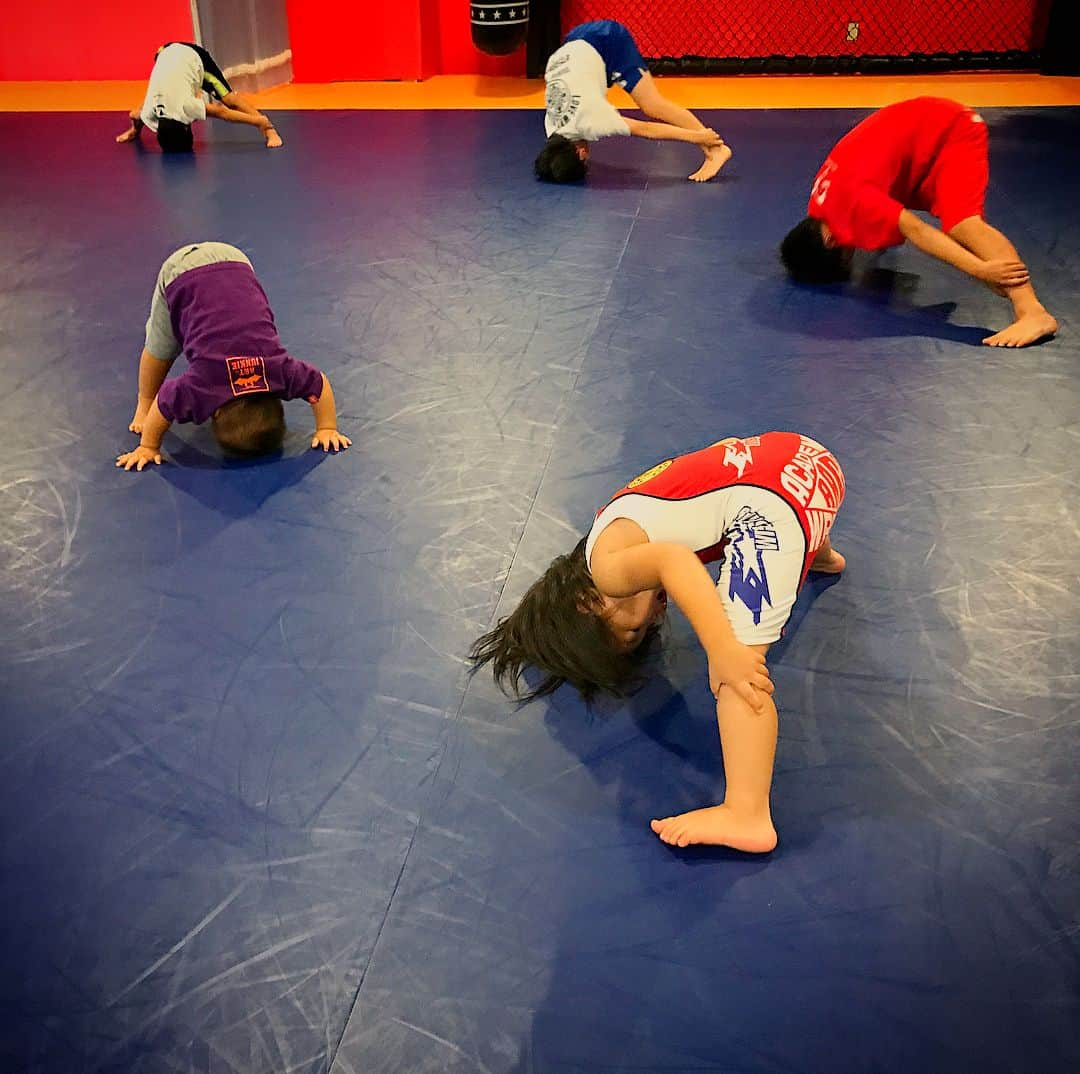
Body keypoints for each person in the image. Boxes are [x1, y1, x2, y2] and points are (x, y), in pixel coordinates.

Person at [470, 432, 846, 852]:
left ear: (587, 602)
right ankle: (822, 555)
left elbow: (675, 562)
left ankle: (747, 813)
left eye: (633, 629)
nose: (657, 617)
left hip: (782, 504)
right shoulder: (610, 525)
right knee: (735, 510)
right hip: (806, 462)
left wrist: (723, 650)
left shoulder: (609, 572)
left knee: (738, 673)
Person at [779, 96, 1056, 348]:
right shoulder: (819, 206)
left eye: (845, 259)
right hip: (918, 146)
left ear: (830, 243)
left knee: (962, 224)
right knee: (931, 220)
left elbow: (916, 230)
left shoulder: (856, 200)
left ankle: (1032, 311)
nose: (852, 258)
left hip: (950, 130)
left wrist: (980, 270)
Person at [117, 242, 350, 471]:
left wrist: (327, 427)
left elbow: (318, 385)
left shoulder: (277, 371)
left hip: (236, 262)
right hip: (181, 273)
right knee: (160, 347)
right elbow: (164, 403)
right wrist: (148, 447)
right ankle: (143, 401)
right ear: (215, 412)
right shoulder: (202, 386)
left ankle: (144, 401)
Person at [536, 19, 731, 183]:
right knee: (648, 103)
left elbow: (647, 130)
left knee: (652, 105)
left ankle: (716, 149)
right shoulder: (551, 128)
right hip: (574, 41)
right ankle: (713, 147)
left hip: (607, 40)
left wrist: (698, 137)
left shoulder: (591, 122)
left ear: (581, 153)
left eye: (585, 161)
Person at [116, 42, 282, 152]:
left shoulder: (186, 107)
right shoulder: (147, 112)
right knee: (173, 91)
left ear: (186, 127)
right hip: (164, 52)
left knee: (230, 100)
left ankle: (269, 129)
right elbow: (134, 115)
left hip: (193, 56)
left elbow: (221, 111)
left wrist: (259, 121)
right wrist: (135, 131)